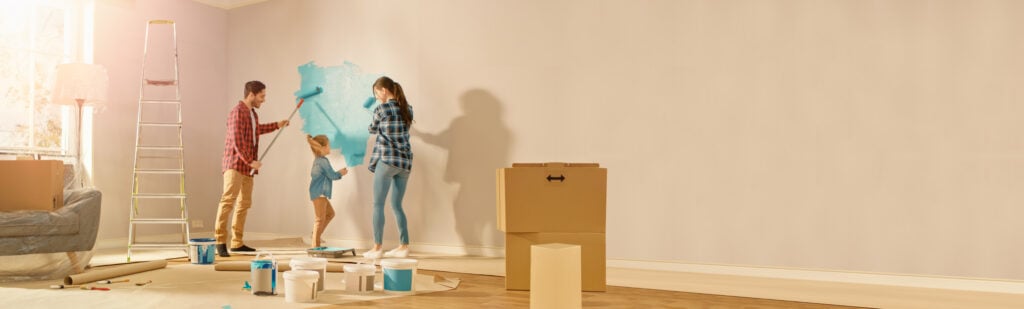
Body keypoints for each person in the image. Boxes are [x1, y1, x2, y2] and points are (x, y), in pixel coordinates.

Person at [215, 80, 290, 257]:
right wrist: (250, 161)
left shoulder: (252, 114)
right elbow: (237, 140)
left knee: (244, 204)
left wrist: (277, 125)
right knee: (228, 201)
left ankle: (237, 242)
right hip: (235, 164)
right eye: (261, 96)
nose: (263, 100)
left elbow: (256, 131)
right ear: (251, 95)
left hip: (247, 167)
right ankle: (219, 241)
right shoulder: (237, 113)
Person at [363, 76, 414, 259]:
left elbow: (372, 129)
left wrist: (372, 113)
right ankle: (404, 246)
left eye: (377, 93)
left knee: (378, 205)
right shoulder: (408, 109)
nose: (377, 97)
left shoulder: (381, 108)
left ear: (383, 90)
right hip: (405, 163)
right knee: (397, 205)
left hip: (387, 161)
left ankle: (377, 248)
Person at [306, 134, 349, 247]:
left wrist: (339, 173)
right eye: (329, 145)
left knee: (330, 214)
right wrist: (341, 173)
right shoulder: (322, 161)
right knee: (319, 219)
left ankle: (316, 235)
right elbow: (332, 175)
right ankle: (315, 246)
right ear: (323, 148)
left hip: (320, 193)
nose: (330, 148)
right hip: (319, 193)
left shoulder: (319, 160)